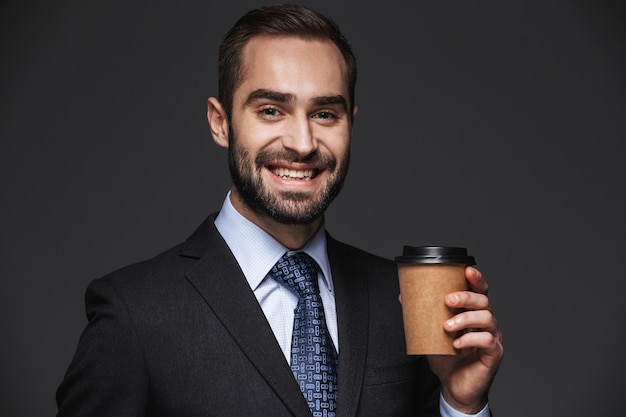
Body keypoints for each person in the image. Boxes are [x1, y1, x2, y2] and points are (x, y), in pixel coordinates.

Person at [56, 4, 503, 416]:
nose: (303, 143)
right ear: (221, 122)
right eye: (271, 110)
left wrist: (461, 403)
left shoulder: (400, 302)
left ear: (351, 123)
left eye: (326, 114)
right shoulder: (134, 313)